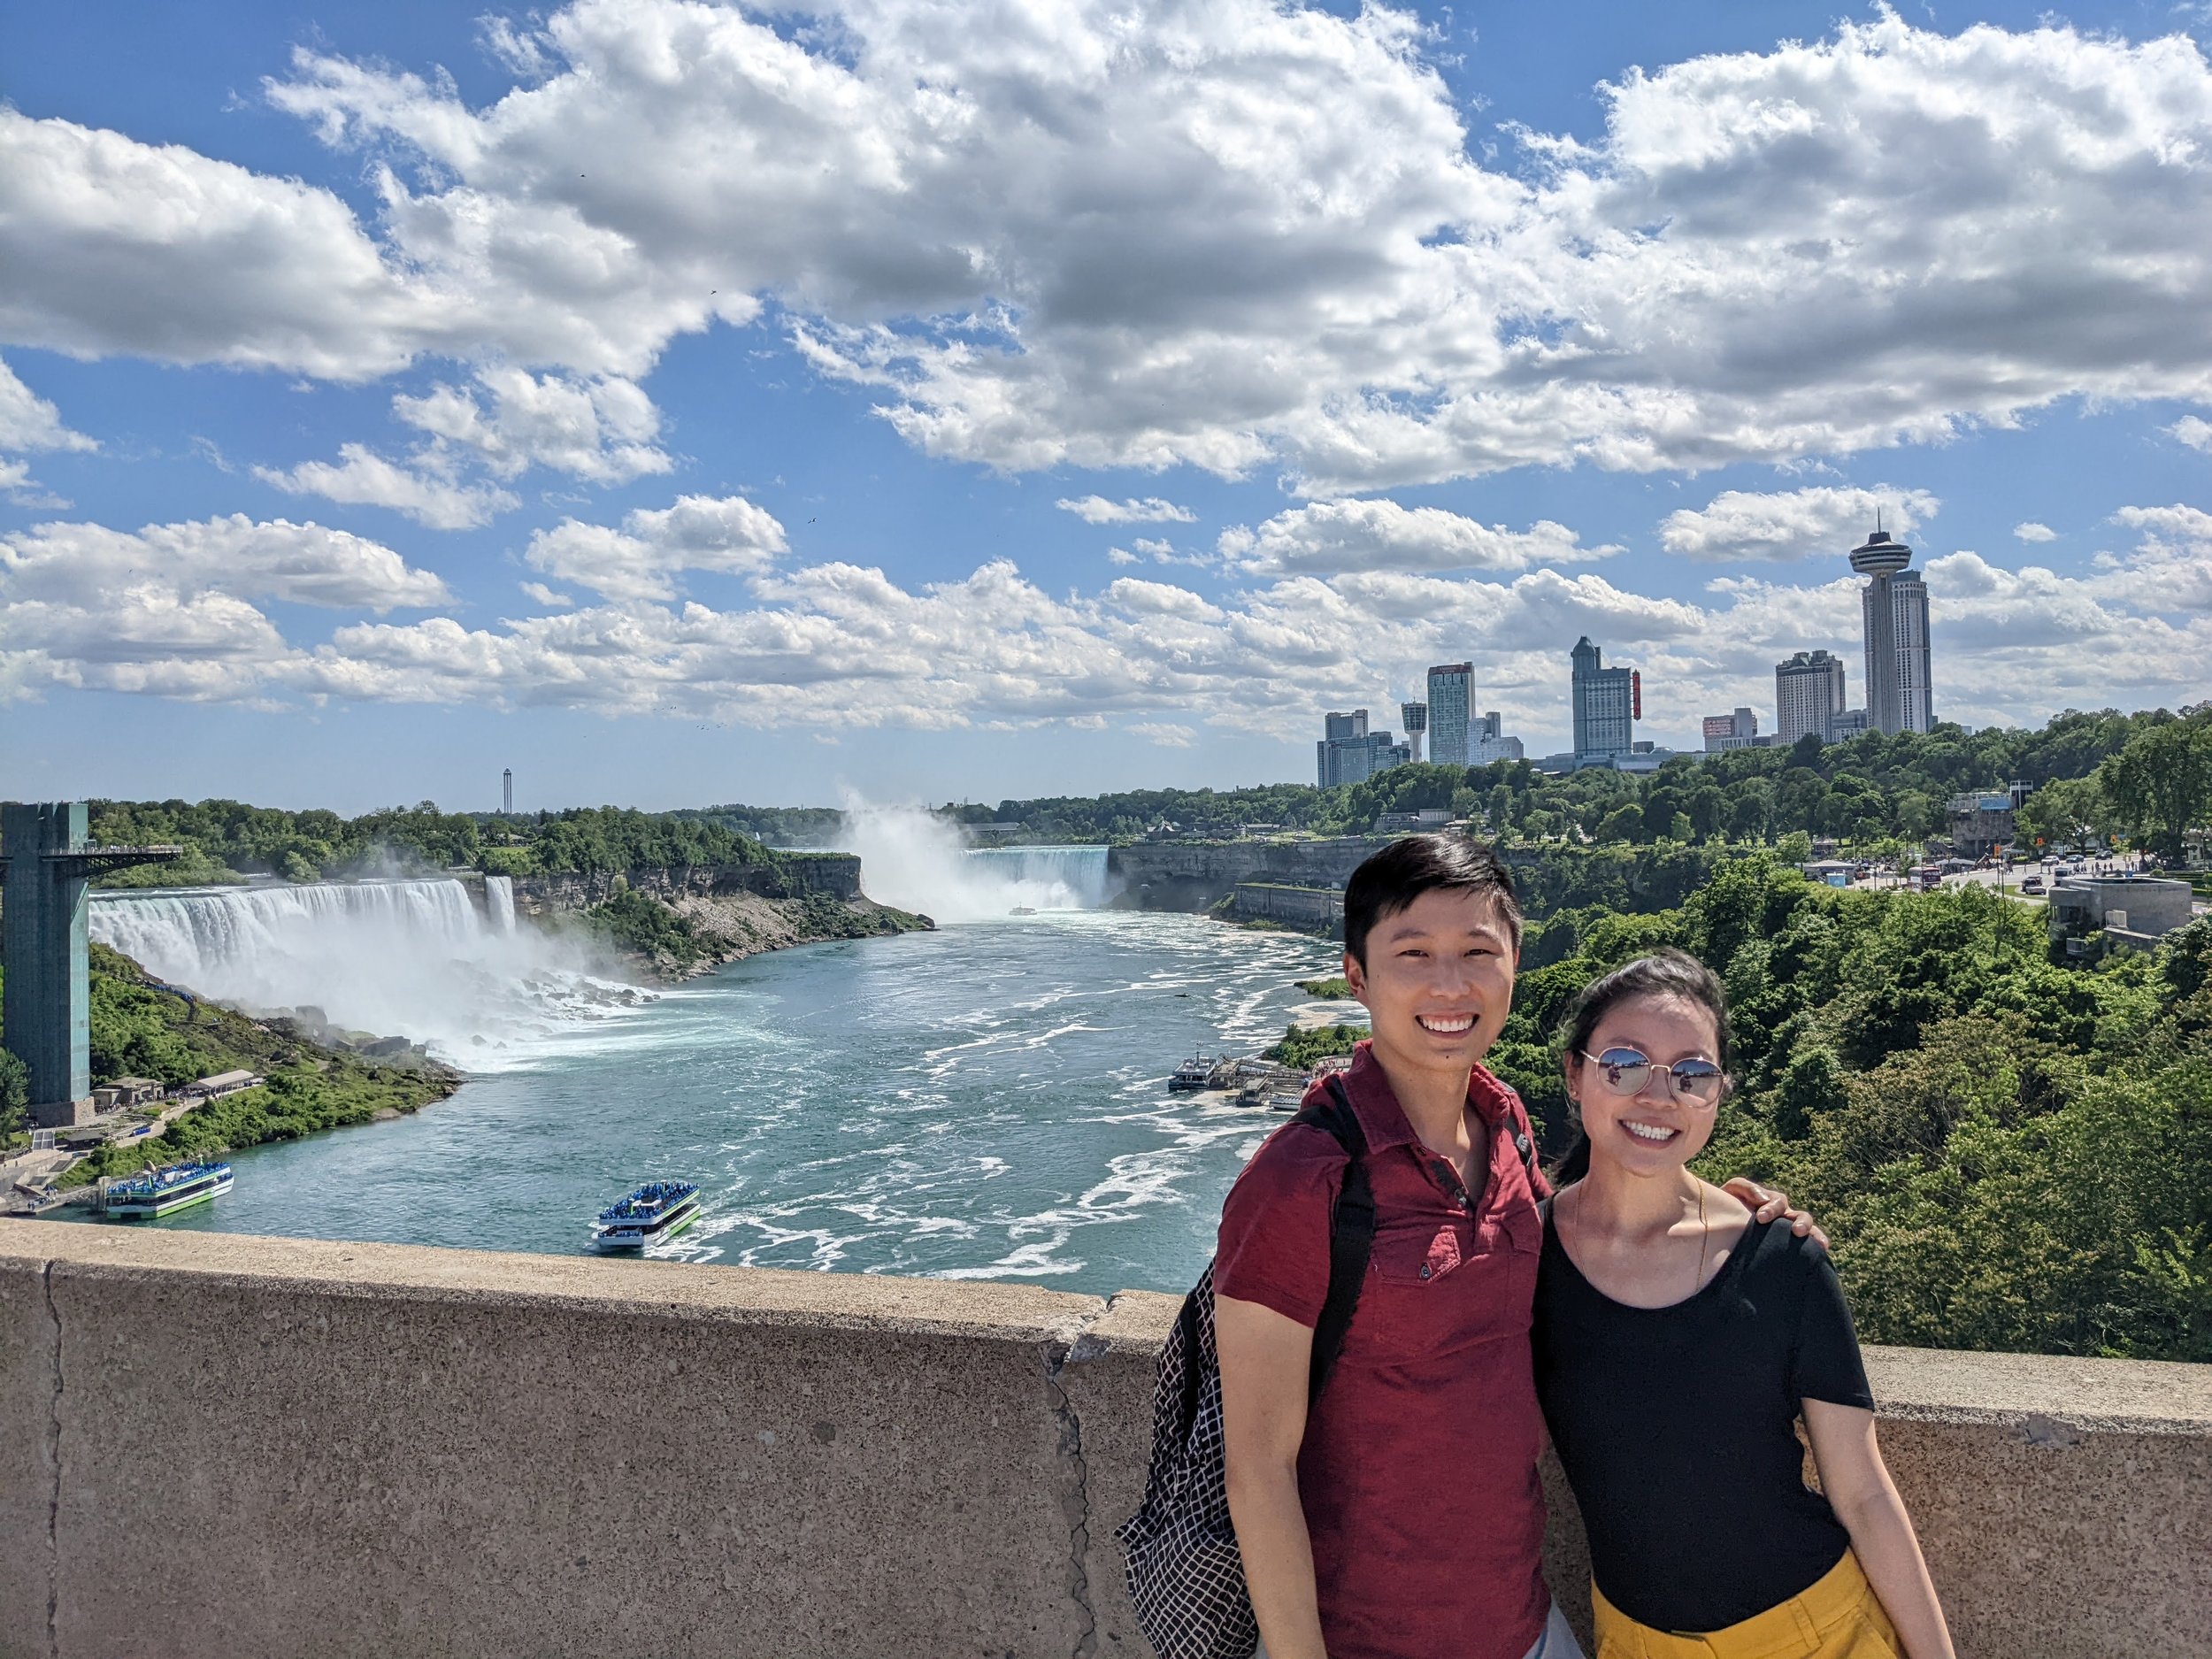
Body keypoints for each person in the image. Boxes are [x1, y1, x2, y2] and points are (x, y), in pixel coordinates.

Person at [1212, 838, 1816, 1659]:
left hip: (1523, 1622)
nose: (1449, 985)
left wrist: (1717, 1214)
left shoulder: (1507, 1128)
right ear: (1357, 975)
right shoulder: (1299, 1179)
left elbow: (1578, 1230)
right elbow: (1257, 1468)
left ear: (1514, 965)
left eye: (1477, 952)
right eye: (1413, 953)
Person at [1532, 951, 1955, 1659]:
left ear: (1719, 1093)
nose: (1658, 1096)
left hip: (1819, 1634)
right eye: (1624, 1064)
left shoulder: (1781, 1258)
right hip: (1634, 1643)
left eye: (1692, 1074)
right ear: (1576, 1074)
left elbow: (1863, 1491)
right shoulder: (1526, 1259)